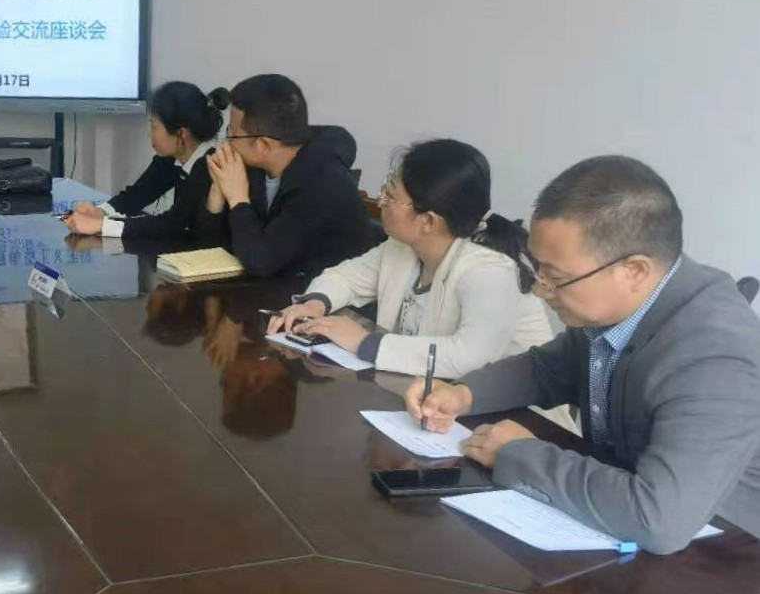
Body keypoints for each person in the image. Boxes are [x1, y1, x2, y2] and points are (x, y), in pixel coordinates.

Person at [407, 155, 760, 554]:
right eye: (538, 271)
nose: (540, 290)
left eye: (555, 278)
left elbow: (659, 520)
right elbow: (547, 369)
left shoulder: (715, 357)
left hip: (723, 556)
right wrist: (462, 393)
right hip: (613, 515)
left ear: (634, 270)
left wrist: (518, 455)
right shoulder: (623, 304)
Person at [268, 139, 553, 377]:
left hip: (516, 418)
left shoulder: (490, 270)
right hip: (431, 398)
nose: (381, 201)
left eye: (391, 196)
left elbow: (468, 357)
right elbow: (345, 278)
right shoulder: (404, 246)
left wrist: (366, 343)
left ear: (428, 221)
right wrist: (316, 304)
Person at [196, 74, 375, 277]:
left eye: (232, 134)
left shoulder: (323, 184)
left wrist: (238, 199)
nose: (226, 143)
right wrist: (218, 192)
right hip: (273, 286)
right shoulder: (253, 167)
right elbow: (210, 250)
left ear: (264, 145)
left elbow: (261, 262)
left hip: (326, 292)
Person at [64, 83, 228, 239]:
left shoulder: (210, 166)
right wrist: (101, 212)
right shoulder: (172, 157)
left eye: (154, 126)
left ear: (181, 133)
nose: (150, 134)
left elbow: (172, 223)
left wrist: (102, 225)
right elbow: (136, 195)